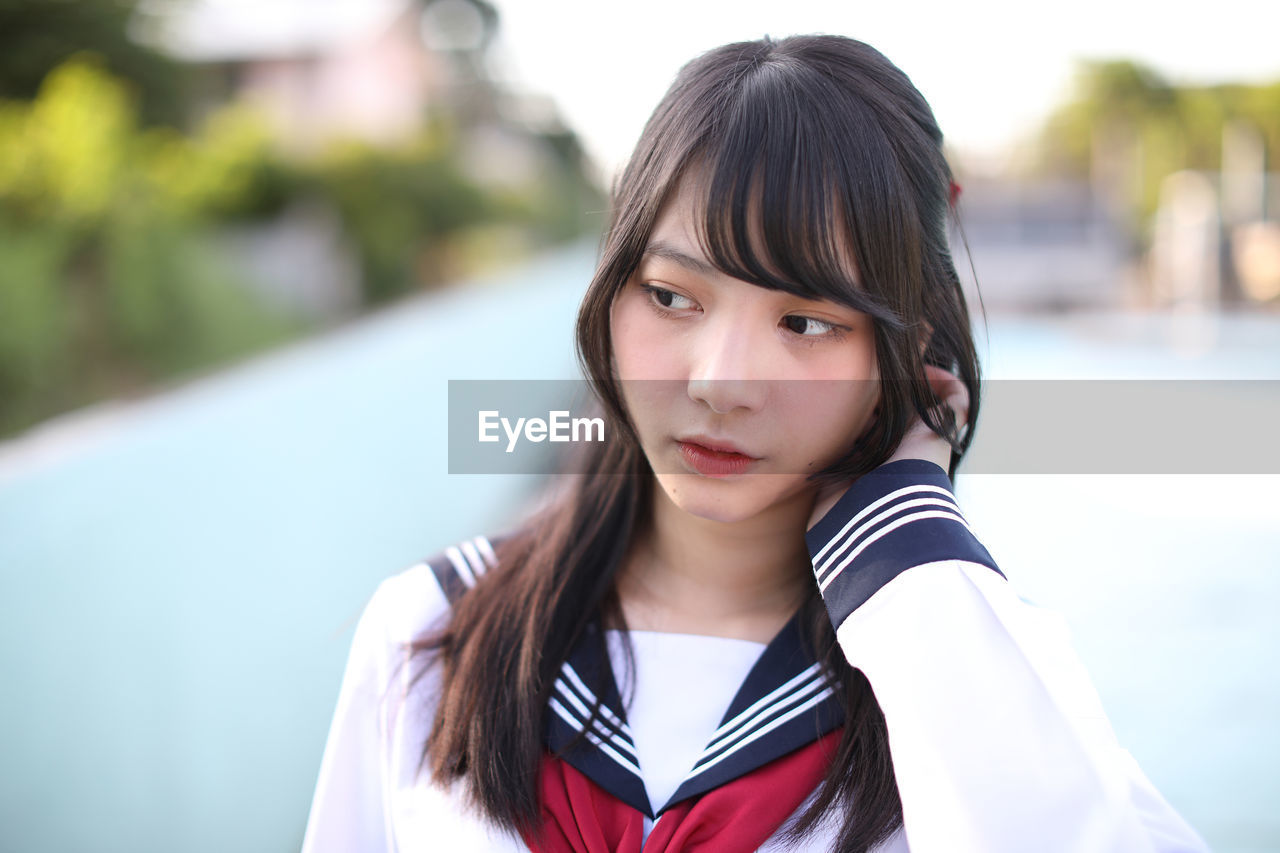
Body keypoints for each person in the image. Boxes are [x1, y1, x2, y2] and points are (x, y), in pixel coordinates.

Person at [299, 35, 1210, 852]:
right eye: (671, 296)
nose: (719, 380)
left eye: (806, 321)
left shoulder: (959, 674)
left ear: (911, 347)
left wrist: (907, 548)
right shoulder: (432, 633)